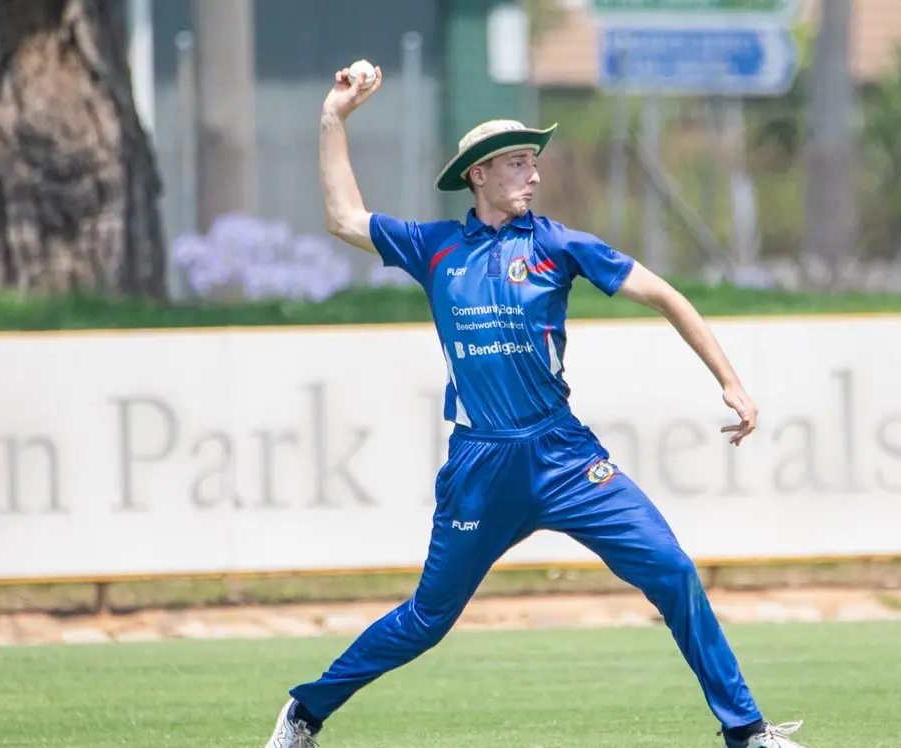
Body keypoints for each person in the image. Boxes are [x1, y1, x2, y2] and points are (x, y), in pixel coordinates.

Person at [261, 64, 808, 748]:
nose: (535, 175)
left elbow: (666, 293)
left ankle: (747, 733)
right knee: (426, 621)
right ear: (479, 174)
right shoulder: (436, 248)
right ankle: (305, 713)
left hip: (564, 457)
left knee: (671, 570)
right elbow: (343, 218)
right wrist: (333, 117)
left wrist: (730, 379)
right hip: (482, 467)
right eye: (518, 162)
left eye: (534, 161)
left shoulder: (558, 244)